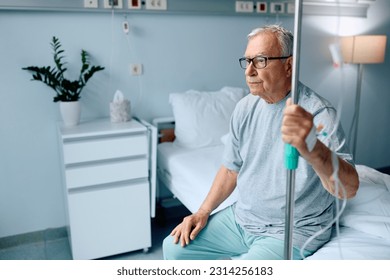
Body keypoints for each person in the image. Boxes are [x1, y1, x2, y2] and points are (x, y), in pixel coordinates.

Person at [162, 24, 359, 260]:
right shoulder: (245, 107)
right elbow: (229, 170)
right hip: (242, 220)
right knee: (173, 250)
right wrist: (203, 211)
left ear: (289, 66)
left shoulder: (317, 113)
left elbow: (349, 188)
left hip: (292, 230)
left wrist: (313, 147)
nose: (249, 71)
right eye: (247, 61)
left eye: (261, 60)